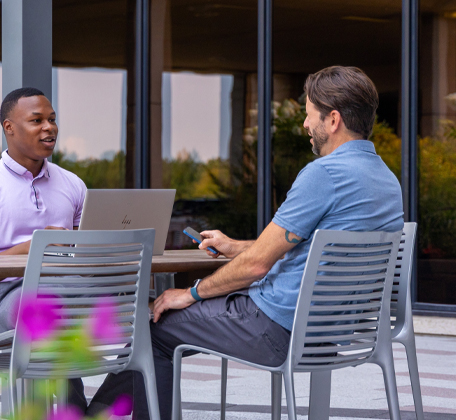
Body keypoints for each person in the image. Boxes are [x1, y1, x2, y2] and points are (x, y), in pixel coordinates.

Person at [86, 66, 405, 419]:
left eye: (308, 114)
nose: (305, 125)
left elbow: (257, 266)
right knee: (170, 322)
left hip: (277, 330)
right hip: (335, 333)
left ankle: (93, 415)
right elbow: (306, 245)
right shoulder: (387, 181)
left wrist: (190, 293)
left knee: (154, 327)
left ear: (332, 120)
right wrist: (235, 246)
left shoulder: (324, 174)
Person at [0, 87, 88, 409]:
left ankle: (88, 411)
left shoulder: (73, 185)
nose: (49, 127)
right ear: (9, 127)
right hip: (13, 298)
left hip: (74, 289)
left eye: (52, 120)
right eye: (37, 120)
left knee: (147, 319)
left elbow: (84, 254)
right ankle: (74, 411)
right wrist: (36, 248)